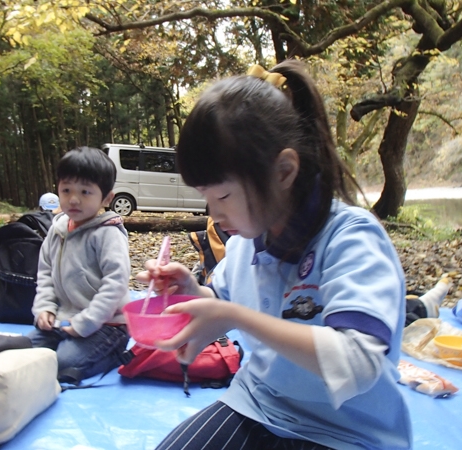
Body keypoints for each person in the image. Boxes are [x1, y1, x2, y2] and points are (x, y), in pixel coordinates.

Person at [137, 61, 412, 449]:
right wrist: (188, 293)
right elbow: (223, 307)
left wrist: (235, 315)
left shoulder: (350, 238)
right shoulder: (245, 241)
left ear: (284, 171)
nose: (214, 214)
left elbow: (357, 363)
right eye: (206, 198)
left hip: (348, 432)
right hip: (260, 404)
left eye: (224, 196)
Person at [29, 147, 131, 383]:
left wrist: (85, 323)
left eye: (85, 192)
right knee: (27, 353)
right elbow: (45, 274)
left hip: (106, 325)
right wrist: (45, 309)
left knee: (62, 364)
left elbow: (115, 284)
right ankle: (69, 343)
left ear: (106, 198)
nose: (73, 199)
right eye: (66, 190)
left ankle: (114, 352)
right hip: (64, 320)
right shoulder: (57, 230)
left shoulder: (108, 234)